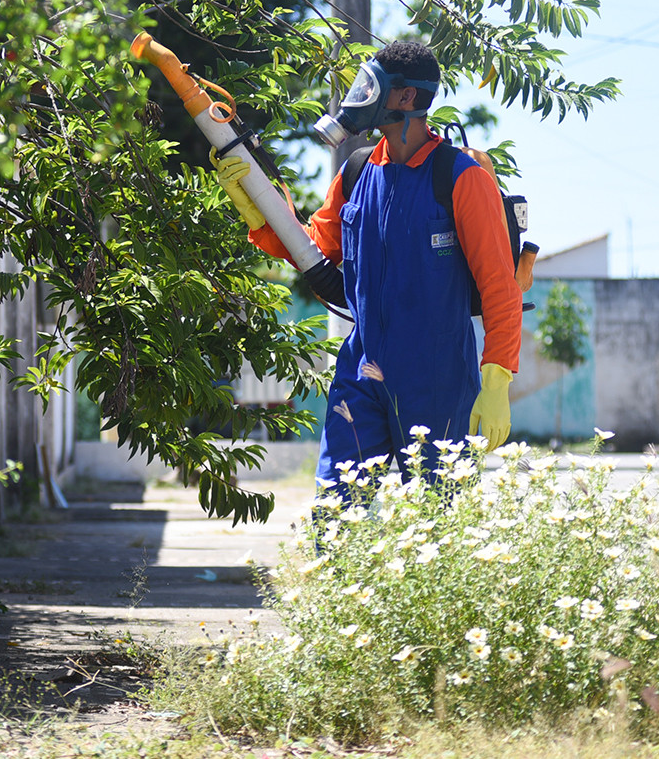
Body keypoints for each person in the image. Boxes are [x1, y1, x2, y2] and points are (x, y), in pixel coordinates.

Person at [212, 41, 521, 505]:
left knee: (440, 521)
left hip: (437, 375)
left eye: (371, 85)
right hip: (362, 366)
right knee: (336, 509)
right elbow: (312, 249)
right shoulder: (357, 172)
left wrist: (497, 380)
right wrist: (257, 212)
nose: (358, 96)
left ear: (406, 99)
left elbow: (501, 287)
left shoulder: (460, 178)